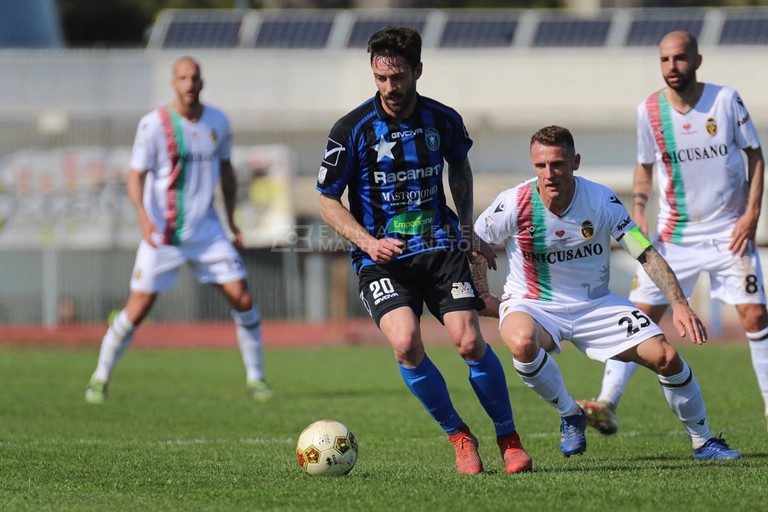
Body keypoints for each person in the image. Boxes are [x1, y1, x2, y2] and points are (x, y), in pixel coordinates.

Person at [316, 26, 531, 474]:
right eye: (380, 78)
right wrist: (368, 242)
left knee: (470, 341)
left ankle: (508, 439)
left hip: (439, 248)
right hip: (383, 261)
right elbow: (326, 201)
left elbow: (461, 171)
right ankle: (459, 436)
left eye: (397, 77)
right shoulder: (351, 129)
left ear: (417, 70)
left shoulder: (443, 120)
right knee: (405, 344)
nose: (389, 88)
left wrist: (468, 229)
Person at [474, 125, 741, 460]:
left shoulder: (601, 199)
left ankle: (704, 442)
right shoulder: (514, 202)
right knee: (521, 341)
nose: (549, 173)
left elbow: (644, 251)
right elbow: (475, 240)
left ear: (576, 162)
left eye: (557, 164)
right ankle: (571, 414)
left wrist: (679, 303)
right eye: (540, 166)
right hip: (534, 303)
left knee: (666, 357)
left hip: (595, 304)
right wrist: (482, 292)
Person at [577, 30, 768, 435]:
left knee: (755, 315)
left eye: (680, 59)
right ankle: (607, 403)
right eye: (664, 60)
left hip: (728, 232)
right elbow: (644, 166)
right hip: (673, 236)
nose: (671, 67)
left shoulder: (725, 100)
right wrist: (640, 208)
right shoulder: (648, 110)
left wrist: (752, 214)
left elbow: (756, 156)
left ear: (697, 61)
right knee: (640, 317)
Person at [84, 56, 272, 404]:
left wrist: (231, 220)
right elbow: (135, 176)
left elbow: (227, 173)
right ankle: (99, 377)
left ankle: (257, 379)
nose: (189, 83)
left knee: (243, 298)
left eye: (194, 77)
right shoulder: (153, 125)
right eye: (182, 77)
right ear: (174, 83)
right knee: (137, 309)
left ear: (202, 82)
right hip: (164, 235)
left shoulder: (218, 120)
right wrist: (143, 218)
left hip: (207, 231)